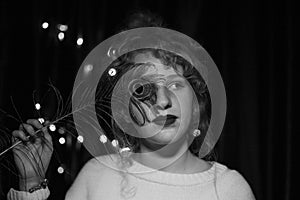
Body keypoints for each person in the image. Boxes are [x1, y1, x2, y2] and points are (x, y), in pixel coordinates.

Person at [7, 13, 256, 200]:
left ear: (196, 107)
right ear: (126, 112)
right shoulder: (97, 177)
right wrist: (31, 181)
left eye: (176, 85)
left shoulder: (228, 189)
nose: (162, 101)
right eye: (142, 89)